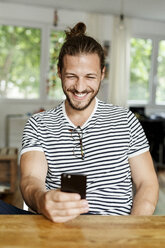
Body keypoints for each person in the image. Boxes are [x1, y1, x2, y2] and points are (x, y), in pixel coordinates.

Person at [20, 22, 159, 223]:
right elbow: (30, 181)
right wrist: (42, 200)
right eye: (71, 76)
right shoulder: (39, 124)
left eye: (90, 77)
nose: (80, 87)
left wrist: (133, 230)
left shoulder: (126, 121)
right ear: (59, 72)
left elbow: (147, 183)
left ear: (102, 73)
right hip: (58, 228)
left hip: (114, 229)